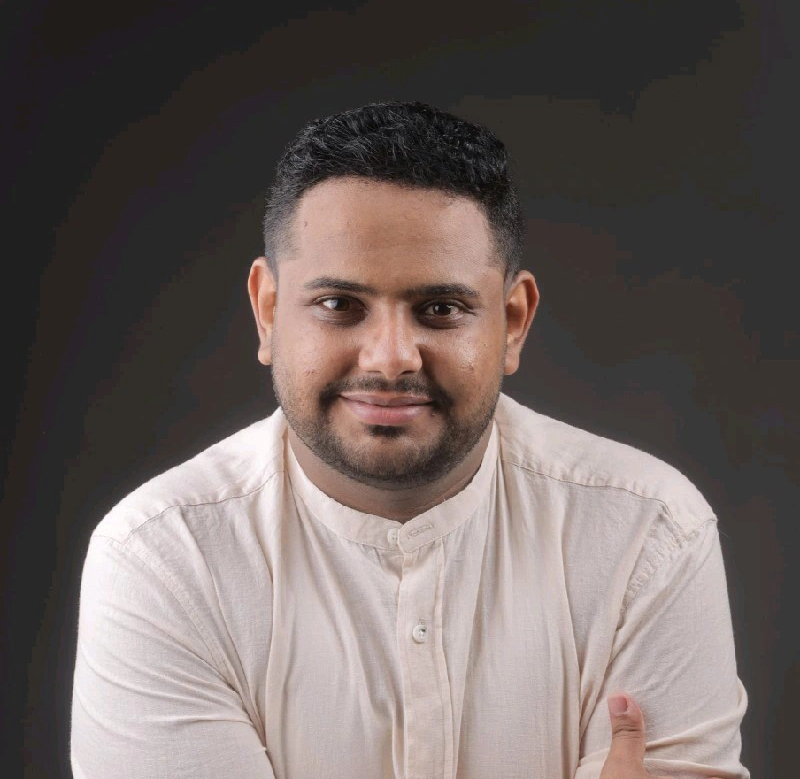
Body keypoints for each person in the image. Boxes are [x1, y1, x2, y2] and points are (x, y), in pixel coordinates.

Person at [70, 101, 749, 778]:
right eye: (339, 305)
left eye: (441, 309)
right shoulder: (164, 558)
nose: (391, 358)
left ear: (513, 322)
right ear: (268, 311)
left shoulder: (648, 534)